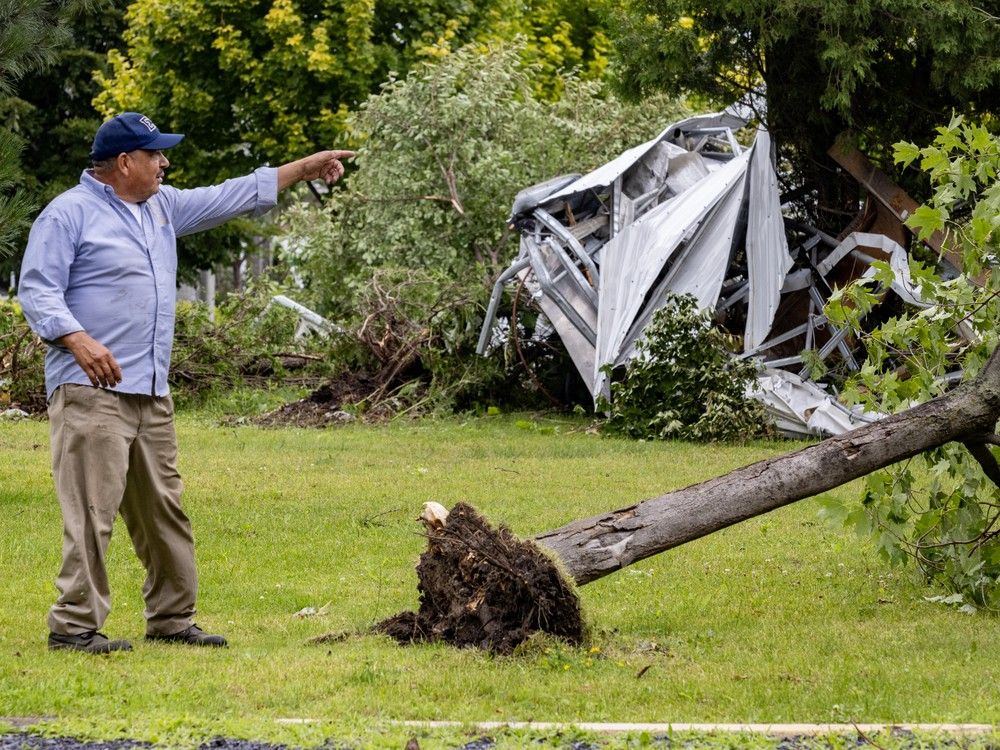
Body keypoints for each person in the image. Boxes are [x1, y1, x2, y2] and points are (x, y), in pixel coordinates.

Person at [18, 112, 353, 654]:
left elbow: (234, 194)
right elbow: (38, 292)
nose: (164, 163)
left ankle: (172, 619)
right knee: (92, 512)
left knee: (163, 508)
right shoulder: (68, 215)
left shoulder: (162, 208)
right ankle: (74, 626)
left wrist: (307, 167)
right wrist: (78, 340)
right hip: (90, 392)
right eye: (155, 155)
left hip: (149, 390)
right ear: (125, 163)